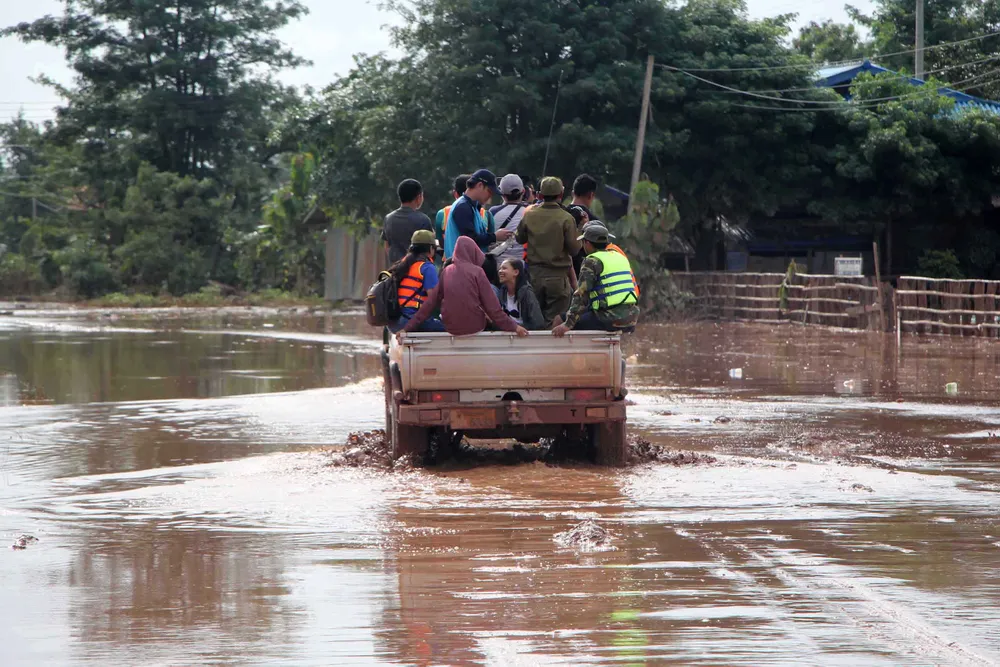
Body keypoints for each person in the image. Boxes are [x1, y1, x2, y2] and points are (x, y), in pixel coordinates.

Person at [402, 236, 528, 337]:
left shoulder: (446, 271)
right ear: (473, 251)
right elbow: (493, 309)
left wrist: (407, 328)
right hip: (475, 327)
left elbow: (429, 304)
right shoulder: (477, 272)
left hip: (450, 328)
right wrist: (514, 327)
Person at [515, 176, 581, 325]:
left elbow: (519, 238)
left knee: (534, 322)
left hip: (534, 276)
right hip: (558, 279)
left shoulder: (529, 215)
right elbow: (574, 250)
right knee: (555, 324)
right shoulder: (567, 218)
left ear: (539, 195)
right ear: (560, 195)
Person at [552, 222, 639, 336]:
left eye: (583, 242)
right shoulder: (619, 256)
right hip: (631, 316)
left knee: (560, 320)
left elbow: (581, 295)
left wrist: (567, 324)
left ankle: (561, 353)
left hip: (609, 318)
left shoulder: (592, 261)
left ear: (587, 243)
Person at [443, 168, 511, 259]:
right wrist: (495, 236)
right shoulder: (463, 207)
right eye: (489, 192)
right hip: (461, 266)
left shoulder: (472, 206)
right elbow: (470, 239)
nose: (490, 197)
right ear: (480, 185)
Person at [386, 230, 446, 333]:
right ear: (431, 248)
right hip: (410, 320)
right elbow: (433, 300)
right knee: (452, 328)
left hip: (394, 322)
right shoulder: (426, 267)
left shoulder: (402, 264)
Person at [382, 179, 433, 264]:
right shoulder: (423, 220)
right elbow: (428, 250)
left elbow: (387, 246)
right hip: (416, 272)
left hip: (395, 271)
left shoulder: (388, 218)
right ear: (418, 197)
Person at [492, 258, 545, 330]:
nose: (500, 271)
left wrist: (516, 328)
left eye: (504, 268)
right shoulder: (502, 292)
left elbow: (538, 323)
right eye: (500, 268)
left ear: (516, 272)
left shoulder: (527, 293)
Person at [489, 174, 529, 266]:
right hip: (521, 268)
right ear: (523, 191)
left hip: (498, 268)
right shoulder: (530, 212)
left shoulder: (492, 212)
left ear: (501, 193)